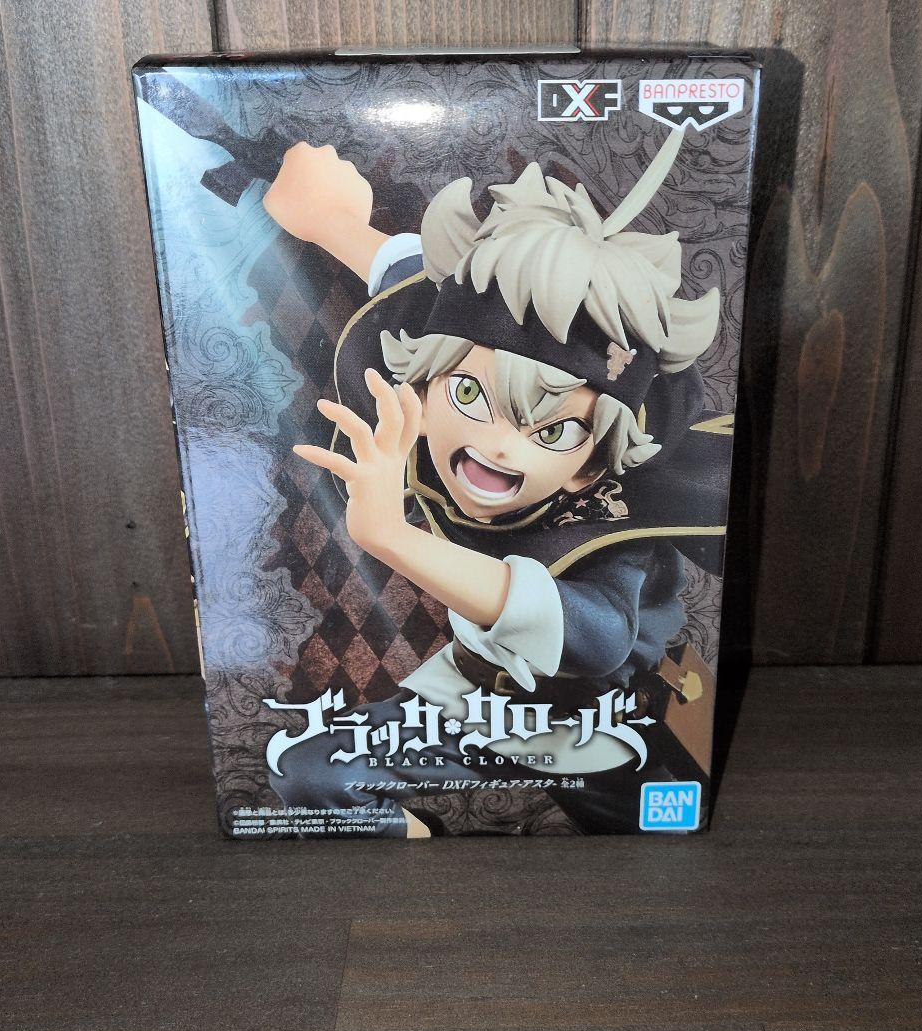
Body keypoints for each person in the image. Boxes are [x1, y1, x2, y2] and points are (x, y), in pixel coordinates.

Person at [261, 142, 729, 836]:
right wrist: (331, 220)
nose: (499, 445)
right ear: (424, 388)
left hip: (602, 722)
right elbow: (422, 282)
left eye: (552, 431)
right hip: (472, 695)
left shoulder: (612, 524)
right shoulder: (438, 372)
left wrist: (391, 536)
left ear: (591, 465)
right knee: (308, 774)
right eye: (470, 395)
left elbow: (595, 640)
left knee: (657, 827)